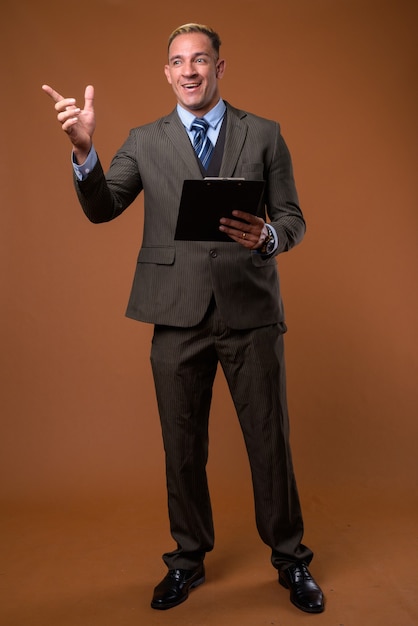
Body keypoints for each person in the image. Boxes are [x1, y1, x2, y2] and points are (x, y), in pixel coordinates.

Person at [42, 23, 324, 614]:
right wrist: (84, 150)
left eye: (201, 60)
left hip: (251, 312)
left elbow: (293, 217)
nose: (189, 70)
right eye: (178, 61)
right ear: (166, 73)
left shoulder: (264, 134)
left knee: (270, 442)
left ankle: (293, 561)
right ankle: (188, 561)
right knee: (181, 444)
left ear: (220, 68)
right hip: (174, 314)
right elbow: (102, 208)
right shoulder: (144, 142)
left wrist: (270, 235)